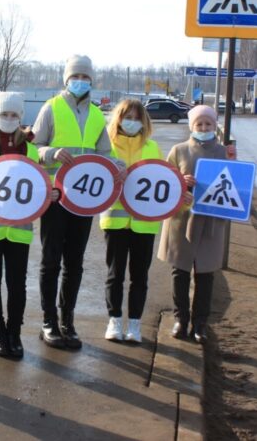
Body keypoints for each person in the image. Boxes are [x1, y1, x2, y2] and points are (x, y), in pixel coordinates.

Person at [32, 54, 118, 349]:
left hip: (84, 201)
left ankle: (67, 320)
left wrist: (118, 166)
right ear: (66, 79)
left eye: (85, 78)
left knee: (75, 263)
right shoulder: (51, 108)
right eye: (75, 77)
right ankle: (48, 322)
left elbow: (103, 153)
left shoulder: (96, 114)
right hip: (56, 198)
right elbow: (33, 148)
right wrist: (50, 153)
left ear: (92, 81)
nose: (80, 82)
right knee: (51, 261)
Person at [0, 91, 58, 359]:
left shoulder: (30, 150)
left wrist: (52, 193)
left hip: (18, 228)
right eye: (4, 114)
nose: (9, 119)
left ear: (21, 118)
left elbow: (40, 184)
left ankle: (14, 334)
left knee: (17, 283)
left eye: (14, 114)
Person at [157, 104, 236, 344]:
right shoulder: (179, 150)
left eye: (208, 124)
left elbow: (235, 186)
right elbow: (165, 180)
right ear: (192, 126)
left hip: (211, 223)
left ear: (215, 126)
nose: (203, 128)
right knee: (179, 272)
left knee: (205, 275)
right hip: (182, 221)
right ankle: (181, 319)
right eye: (199, 124)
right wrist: (181, 181)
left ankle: (200, 324)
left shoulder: (224, 152)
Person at [99, 99, 162, 344]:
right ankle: (114, 320)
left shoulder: (152, 147)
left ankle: (135, 324)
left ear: (144, 121)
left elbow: (163, 182)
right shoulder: (107, 146)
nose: (132, 123)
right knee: (115, 274)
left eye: (137, 118)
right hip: (115, 222)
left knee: (140, 276)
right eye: (128, 117)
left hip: (144, 223)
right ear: (118, 118)